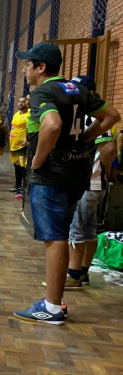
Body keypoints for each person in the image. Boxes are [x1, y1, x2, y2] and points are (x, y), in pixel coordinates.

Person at [12, 42, 120, 325]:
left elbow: (52, 125)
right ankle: (54, 300)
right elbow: (112, 117)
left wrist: (37, 160)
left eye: (28, 64)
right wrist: (86, 138)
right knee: (62, 233)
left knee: (55, 238)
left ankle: (52, 306)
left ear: (41, 67)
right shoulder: (78, 90)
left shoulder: (44, 92)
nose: (24, 69)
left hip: (52, 175)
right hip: (77, 172)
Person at [65, 75, 118, 289]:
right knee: (89, 229)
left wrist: (101, 174)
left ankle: (73, 275)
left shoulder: (94, 117)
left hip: (89, 182)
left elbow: (109, 149)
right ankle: (83, 272)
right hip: (94, 183)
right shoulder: (86, 115)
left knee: (75, 229)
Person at [9, 95, 30, 199]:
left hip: (22, 145)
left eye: (23, 102)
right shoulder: (16, 114)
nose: (21, 103)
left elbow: (30, 128)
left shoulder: (29, 113)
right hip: (14, 145)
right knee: (16, 166)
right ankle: (17, 185)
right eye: (19, 101)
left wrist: (27, 139)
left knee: (23, 167)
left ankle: (24, 186)